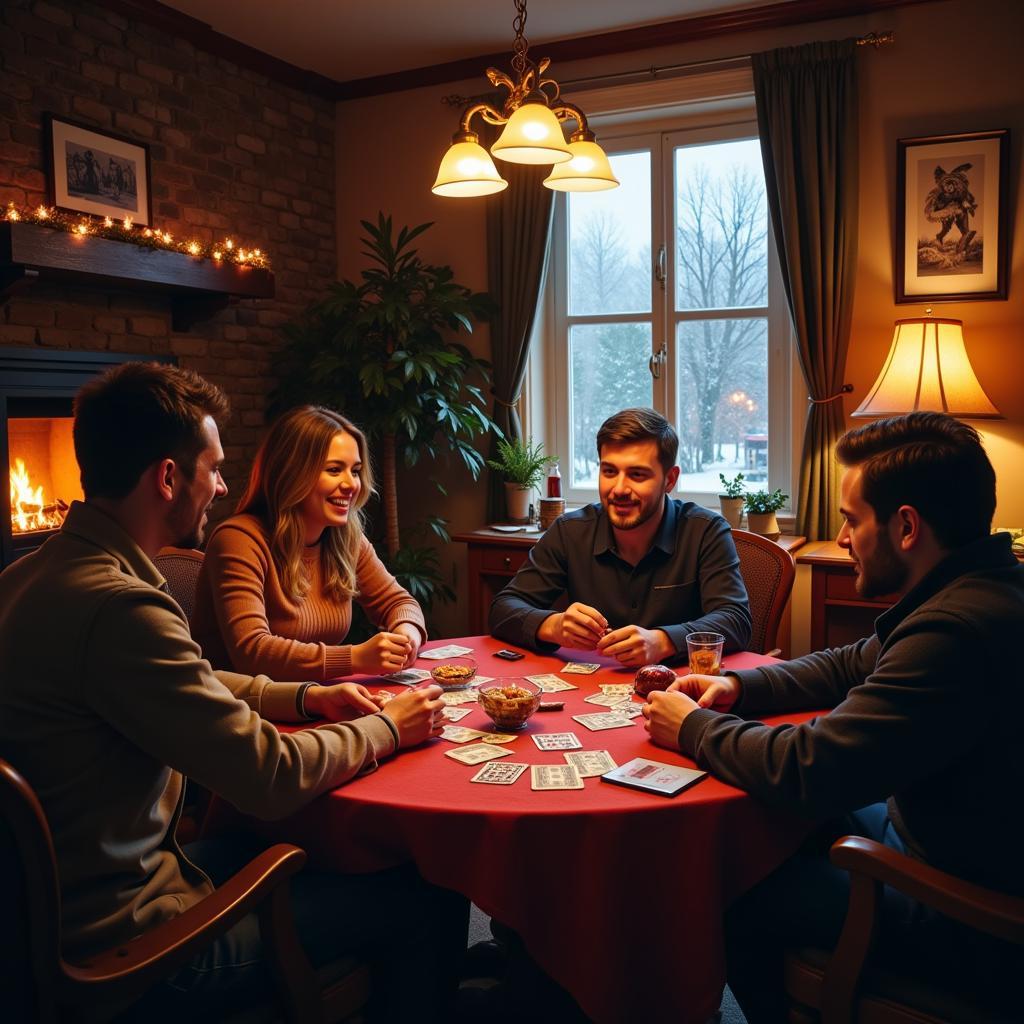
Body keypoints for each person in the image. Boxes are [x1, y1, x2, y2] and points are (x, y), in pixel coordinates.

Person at [0, 363, 465, 1021]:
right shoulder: (120, 607)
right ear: (167, 477)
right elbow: (270, 776)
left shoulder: (32, 573)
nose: (221, 485)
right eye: (213, 468)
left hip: (71, 904)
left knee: (331, 855)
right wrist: (388, 728)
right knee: (423, 891)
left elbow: (196, 677)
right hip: (135, 947)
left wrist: (306, 699)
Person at [643, 411, 1023, 1021]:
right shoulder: (979, 585)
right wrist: (736, 686)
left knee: (727, 882)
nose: (843, 538)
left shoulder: (955, 632)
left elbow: (808, 768)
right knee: (769, 826)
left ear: (905, 528)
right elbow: (849, 664)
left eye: (851, 520)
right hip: (940, 839)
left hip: (969, 917)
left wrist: (691, 726)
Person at [489, 407, 751, 666]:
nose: (619, 489)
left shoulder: (705, 531)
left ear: (669, 480)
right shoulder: (569, 531)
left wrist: (662, 641)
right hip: (590, 693)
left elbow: (735, 619)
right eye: (609, 472)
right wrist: (553, 625)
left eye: (637, 475)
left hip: (683, 693)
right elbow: (503, 608)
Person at [192, 405, 425, 685]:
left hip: (316, 700)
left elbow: (399, 602)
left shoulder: (346, 538)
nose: (352, 484)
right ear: (293, 473)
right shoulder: (238, 539)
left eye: (356, 470)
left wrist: (406, 632)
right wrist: (356, 657)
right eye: (334, 470)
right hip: (244, 709)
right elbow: (251, 651)